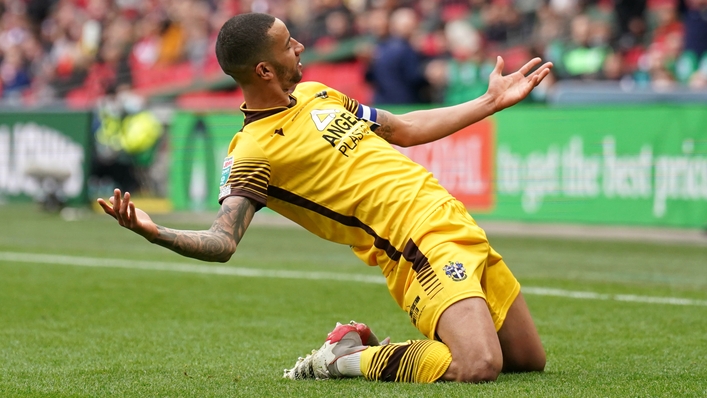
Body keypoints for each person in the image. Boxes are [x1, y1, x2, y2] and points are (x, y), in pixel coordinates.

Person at [98, 12, 552, 384]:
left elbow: (404, 129)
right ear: (264, 70)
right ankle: (346, 357)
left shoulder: (318, 94)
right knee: (477, 366)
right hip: (412, 244)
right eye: (288, 44)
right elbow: (223, 241)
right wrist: (155, 232)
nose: (299, 47)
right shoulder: (252, 150)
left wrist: (489, 101)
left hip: (452, 218)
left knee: (528, 360)